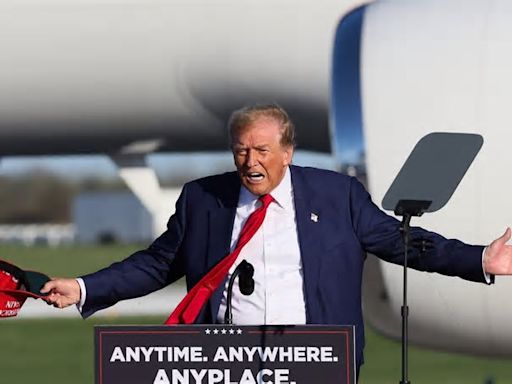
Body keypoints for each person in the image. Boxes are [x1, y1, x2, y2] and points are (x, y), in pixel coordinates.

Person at [42, 104, 512, 373]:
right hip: (228, 361)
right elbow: (157, 264)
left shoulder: (337, 196)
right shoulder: (203, 201)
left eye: (262, 150)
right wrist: (83, 287)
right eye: (241, 150)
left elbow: (398, 240)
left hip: (316, 360)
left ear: (287, 151)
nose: (250, 162)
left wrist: (479, 260)